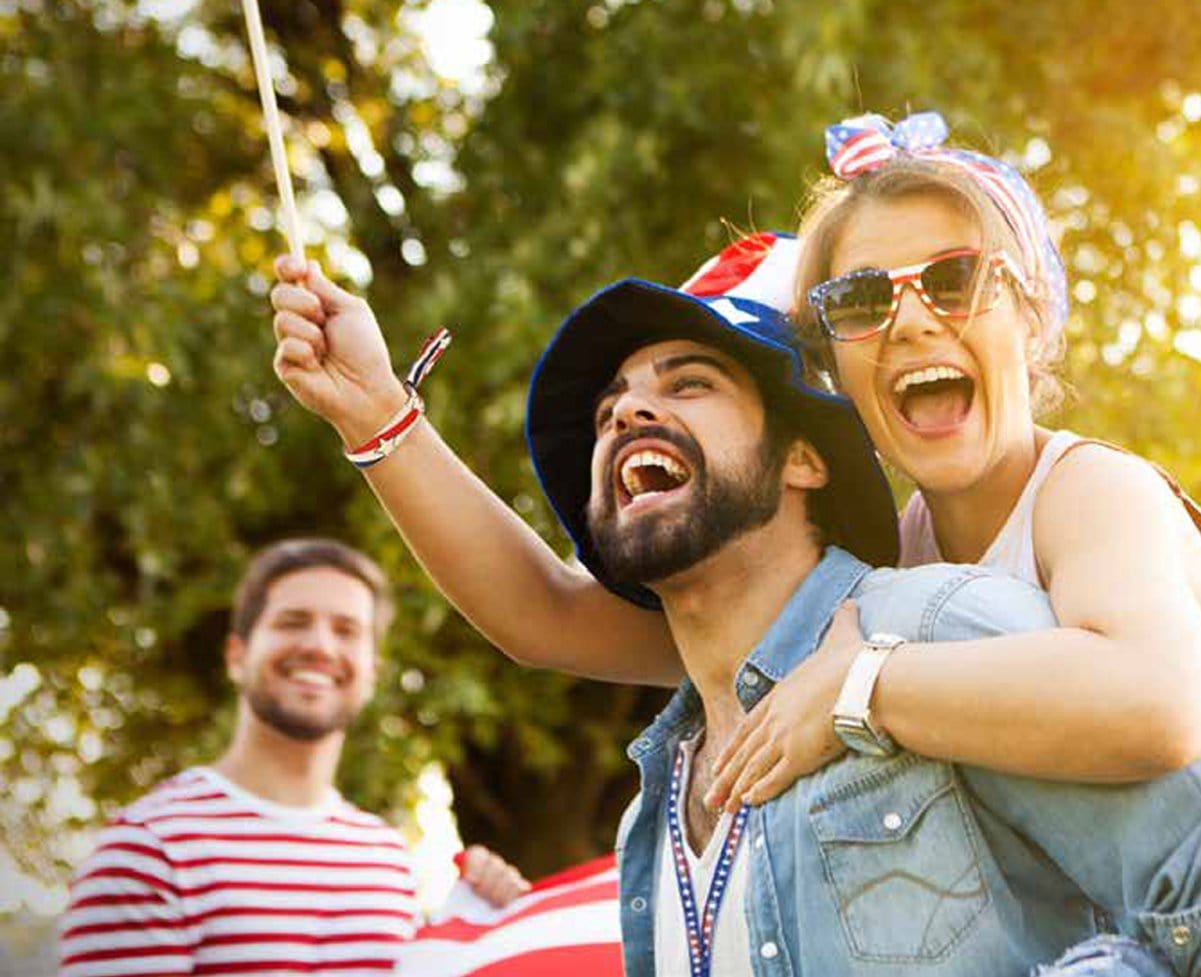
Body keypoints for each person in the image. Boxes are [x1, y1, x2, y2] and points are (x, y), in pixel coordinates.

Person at [275, 242, 1201, 976]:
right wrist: (374, 411)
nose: (629, 414)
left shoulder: (930, 625)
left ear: (804, 459)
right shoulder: (659, 798)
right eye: (608, 412)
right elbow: (538, 612)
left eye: (688, 384)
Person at [269, 104, 1201, 813]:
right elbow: (546, 615)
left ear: (1030, 315)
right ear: (833, 366)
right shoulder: (873, 574)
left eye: (956, 280)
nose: (912, 317)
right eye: (861, 299)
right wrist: (376, 413)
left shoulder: (1089, 491)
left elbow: (1160, 705)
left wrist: (857, 684)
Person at [58, 538, 528, 977]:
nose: (320, 646)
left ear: (372, 673)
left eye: (346, 630)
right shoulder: (149, 848)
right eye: (293, 622)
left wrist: (492, 921)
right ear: (236, 655)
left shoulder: (385, 858)